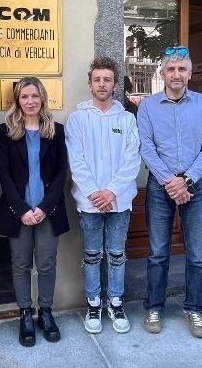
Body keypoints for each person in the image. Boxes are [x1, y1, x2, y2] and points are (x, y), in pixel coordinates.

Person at [137, 46, 202, 339]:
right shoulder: (147, 106)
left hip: (196, 186)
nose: (176, 74)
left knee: (196, 255)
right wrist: (171, 182)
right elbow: (146, 147)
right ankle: (154, 306)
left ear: (190, 73)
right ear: (162, 73)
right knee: (158, 253)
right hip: (160, 187)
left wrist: (186, 180)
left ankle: (195, 308)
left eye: (182, 69)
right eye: (171, 69)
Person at [65, 57, 141, 334]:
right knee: (92, 255)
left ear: (115, 85)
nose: (101, 84)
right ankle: (94, 304)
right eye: (97, 79)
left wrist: (111, 191)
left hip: (119, 201)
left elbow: (132, 159)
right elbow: (76, 160)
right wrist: (94, 192)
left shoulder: (127, 119)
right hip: (89, 202)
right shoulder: (77, 119)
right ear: (90, 84)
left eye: (107, 79)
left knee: (117, 255)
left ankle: (116, 303)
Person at [0, 77, 69, 347]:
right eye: (24, 97)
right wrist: (22, 209)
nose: (30, 101)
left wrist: (44, 208)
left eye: (34, 96)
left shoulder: (56, 131)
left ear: (42, 98)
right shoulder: (6, 131)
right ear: (18, 101)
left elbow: (61, 171)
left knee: (47, 264)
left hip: (49, 210)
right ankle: (25, 313)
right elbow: (3, 172)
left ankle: (45, 312)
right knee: (21, 264)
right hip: (18, 212)